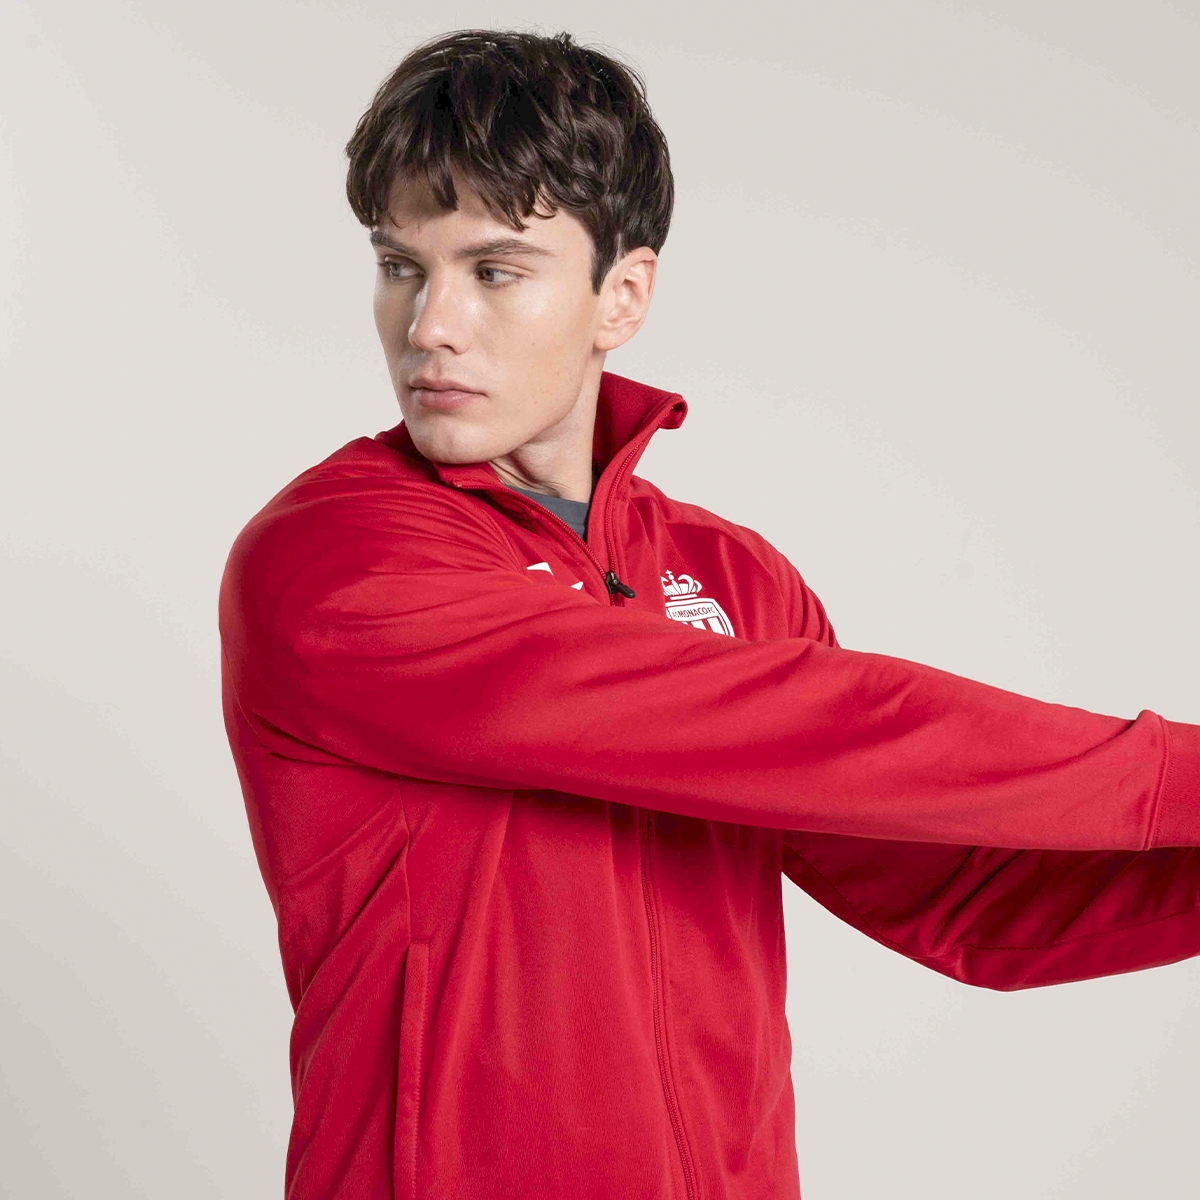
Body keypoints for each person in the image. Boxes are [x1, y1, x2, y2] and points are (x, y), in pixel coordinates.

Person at [217, 27, 1200, 1200]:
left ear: (621, 295)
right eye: (399, 265)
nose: (429, 323)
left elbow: (956, 893)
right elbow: (813, 723)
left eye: (494, 271)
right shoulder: (337, 561)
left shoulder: (732, 575)